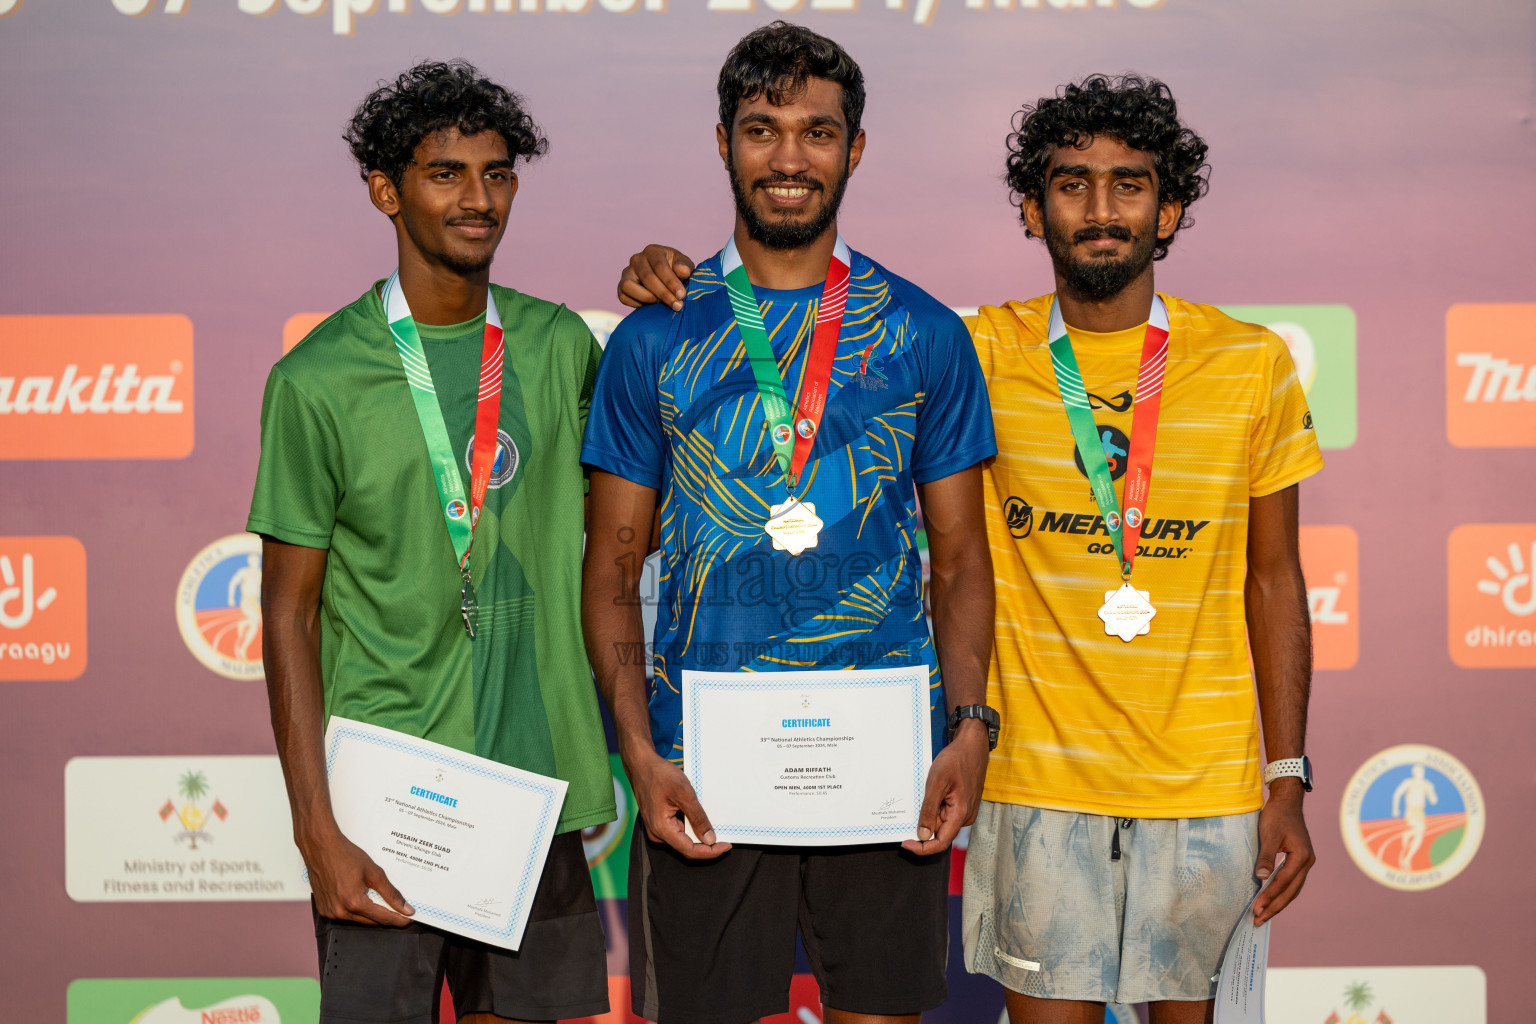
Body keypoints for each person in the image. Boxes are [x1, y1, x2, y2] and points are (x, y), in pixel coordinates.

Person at [617, 72, 1322, 1024]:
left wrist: (1287, 776)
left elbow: (1275, 579)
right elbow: (798, 314)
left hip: (1209, 786)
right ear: (1033, 211)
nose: (1102, 210)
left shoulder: (1253, 363)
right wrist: (675, 270)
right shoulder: (970, 346)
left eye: (1130, 185)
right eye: (1072, 184)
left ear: (1172, 208)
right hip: (1033, 782)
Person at [582, 23, 999, 1024]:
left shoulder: (924, 332)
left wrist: (970, 727)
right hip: (703, 771)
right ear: (723, 140)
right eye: (762, 129)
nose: (788, 158)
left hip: (886, 769)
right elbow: (612, 566)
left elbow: (961, 559)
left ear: (854, 150)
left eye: (818, 132)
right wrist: (640, 754)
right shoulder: (655, 335)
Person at [248, 60, 613, 1024]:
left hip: (533, 794)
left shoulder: (560, 345)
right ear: (385, 190)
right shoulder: (316, 379)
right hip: (381, 808)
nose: (478, 198)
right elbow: (285, 612)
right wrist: (314, 827)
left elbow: (636, 516)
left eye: (497, 174)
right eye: (446, 173)